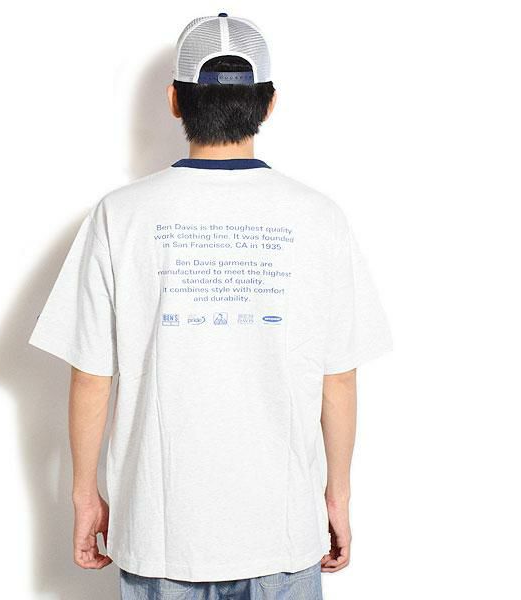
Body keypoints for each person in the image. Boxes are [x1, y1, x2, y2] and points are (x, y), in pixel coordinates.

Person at [28, 13, 392, 600]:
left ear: (175, 100)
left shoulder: (121, 215)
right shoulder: (319, 217)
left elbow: (92, 375)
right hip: (282, 533)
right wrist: (338, 497)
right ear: (269, 103)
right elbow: (338, 378)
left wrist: (84, 495)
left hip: (160, 533)